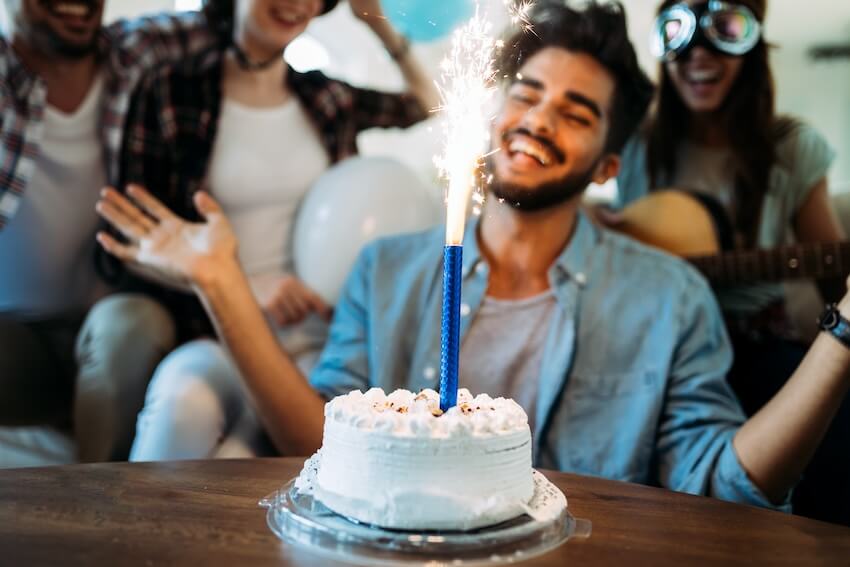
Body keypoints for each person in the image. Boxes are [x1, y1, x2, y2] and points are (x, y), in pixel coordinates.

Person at [96, 1, 850, 509]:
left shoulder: (670, 298)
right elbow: (324, 444)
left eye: (577, 111)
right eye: (526, 93)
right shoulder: (387, 271)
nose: (538, 119)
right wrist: (224, 283)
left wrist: (841, 334)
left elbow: (718, 482)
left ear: (608, 168)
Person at [111, 0, 439, 461]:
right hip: (217, 331)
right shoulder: (173, 91)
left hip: (317, 343)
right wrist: (245, 288)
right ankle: (132, 534)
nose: (296, 2)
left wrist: (378, 22)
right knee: (180, 405)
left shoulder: (327, 98)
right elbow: (129, 241)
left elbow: (431, 102)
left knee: (252, 458)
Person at [615, 0, 850, 523]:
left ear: (753, 43)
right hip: (655, 344)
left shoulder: (791, 146)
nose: (700, 54)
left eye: (724, 29)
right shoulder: (636, 145)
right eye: (680, 33)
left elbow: (836, 276)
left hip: (757, 345)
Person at [0, 0, 217, 463]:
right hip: (14, 338)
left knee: (135, 325)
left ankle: (98, 503)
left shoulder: (134, 52)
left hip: (110, 329)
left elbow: (234, 18)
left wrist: (382, 30)